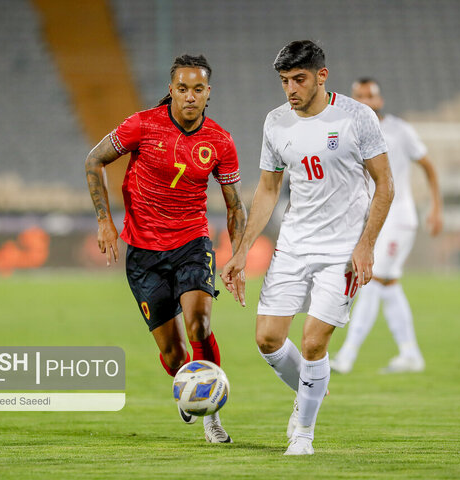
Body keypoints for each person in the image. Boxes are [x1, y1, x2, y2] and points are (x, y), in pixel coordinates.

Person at [220, 40, 394, 455]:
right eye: (284, 82)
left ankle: (303, 431)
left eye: (299, 80)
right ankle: (310, 386)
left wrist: (366, 245)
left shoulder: (357, 117)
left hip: (343, 252)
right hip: (294, 245)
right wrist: (242, 250)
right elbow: (267, 189)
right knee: (267, 339)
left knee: (314, 343)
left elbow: (385, 185)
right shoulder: (276, 122)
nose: (291, 90)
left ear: (322, 76)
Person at [84, 54, 246, 443]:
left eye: (198, 89)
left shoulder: (220, 141)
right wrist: (104, 219)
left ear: (209, 93)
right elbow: (94, 160)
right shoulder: (142, 125)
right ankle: (186, 386)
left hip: (192, 242)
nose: (190, 96)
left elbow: (235, 207)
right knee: (174, 355)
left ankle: (211, 414)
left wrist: (237, 257)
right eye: (183, 88)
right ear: (171, 90)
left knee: (200, 325)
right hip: (143, 252)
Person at [330, 78, 442, 375]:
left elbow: (428, 166)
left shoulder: (399, 130)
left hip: (399, 218)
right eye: (359, 96)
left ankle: (347, 356)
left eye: (370, 95)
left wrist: (435, 207)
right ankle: (410, 354)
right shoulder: (347, 131)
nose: (365, 100)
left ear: (379, 100)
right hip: (375, 218)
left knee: (373, 281)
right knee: (388, 285)